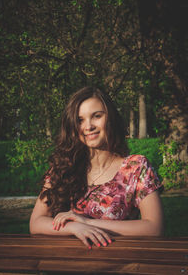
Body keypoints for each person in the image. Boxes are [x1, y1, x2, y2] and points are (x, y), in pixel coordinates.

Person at [30, 86, 164, 249]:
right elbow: (36, 223)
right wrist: (73, 227)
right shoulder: (63, 167)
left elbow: (154, 227)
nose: (88, 126)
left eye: (97, 116)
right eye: (80, 120)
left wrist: (88, 222)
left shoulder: (136, 167)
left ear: (111, 118)